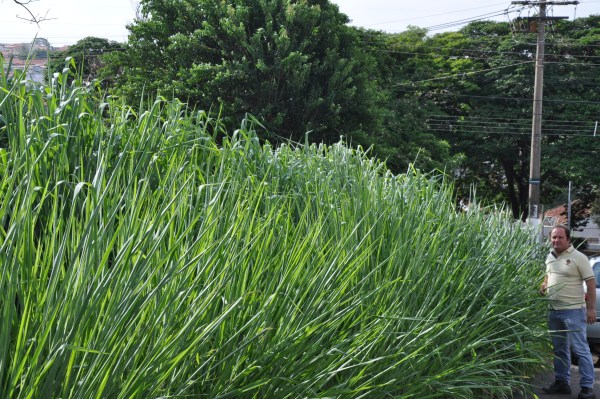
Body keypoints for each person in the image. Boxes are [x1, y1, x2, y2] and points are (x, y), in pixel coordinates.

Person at [540, 225, 596, 399]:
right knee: (559, 350)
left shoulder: (579, 257)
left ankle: (587, 388)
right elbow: (548, 276)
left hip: (573, 311)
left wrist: (591, 308)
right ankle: (562, 383)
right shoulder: (549, 257)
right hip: (554, 310)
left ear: (568, 239)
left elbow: (591, 283)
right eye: (553, 237)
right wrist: (544, 285)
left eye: (560, 237)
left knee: (580, 349)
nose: (556, 240)